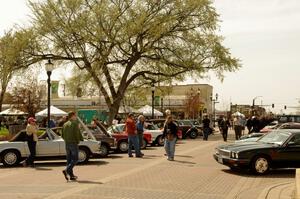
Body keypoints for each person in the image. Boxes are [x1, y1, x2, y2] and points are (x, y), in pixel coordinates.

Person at [61, 111, 83, 181]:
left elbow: (62, 135)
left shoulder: (65, 124)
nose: (76, 117)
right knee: (75, 159)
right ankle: (66, 170)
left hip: (67, 143)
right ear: (72, 116)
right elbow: (76, 133)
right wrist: (78, 141)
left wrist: (67, 140)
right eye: (75, 115)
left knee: (69, 160)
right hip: (73, 143)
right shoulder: (74, 123)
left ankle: (71, 175)